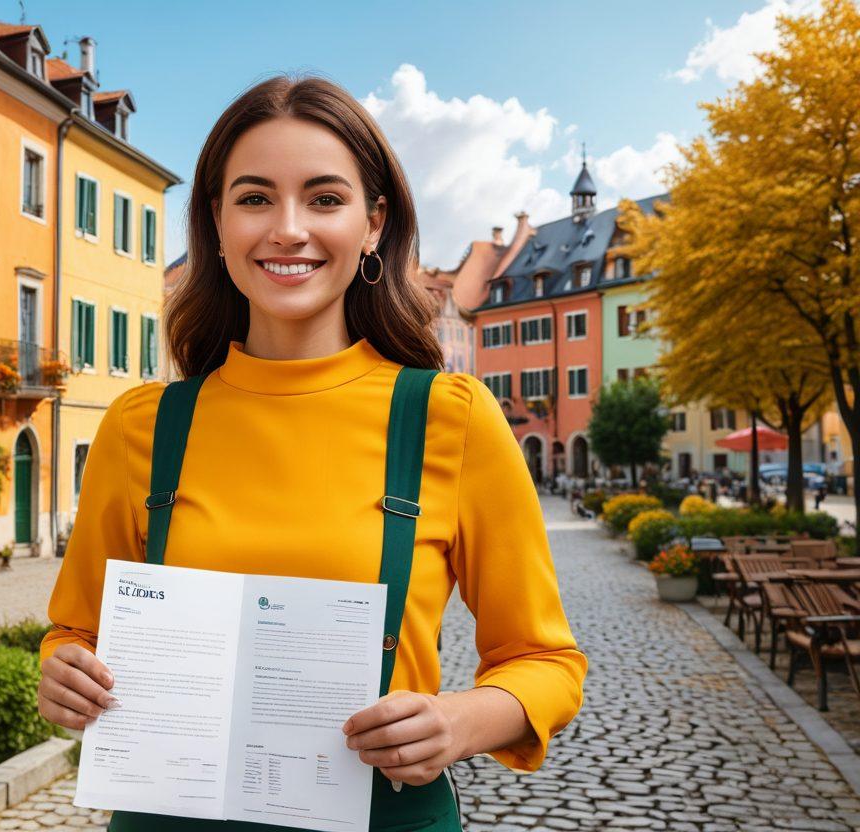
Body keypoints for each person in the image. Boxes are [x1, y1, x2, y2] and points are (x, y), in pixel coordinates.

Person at [37, 74, 588, 831]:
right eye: (255, 198)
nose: (288, 229)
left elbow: (547, 664)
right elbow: (74, 634)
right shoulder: (143, 426)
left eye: (325, 199)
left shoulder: (450, 420)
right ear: (217, 221)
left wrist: (460, 721)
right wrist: (61, 671)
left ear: (373, 223)